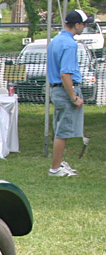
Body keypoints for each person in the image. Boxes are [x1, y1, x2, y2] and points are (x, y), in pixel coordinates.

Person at [47, 9, 95, 177]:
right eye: (84, 24)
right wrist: (74, 97)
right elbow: (65, 73)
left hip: (57, 89)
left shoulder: (56, 40)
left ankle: (59, 163)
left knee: (60, 128)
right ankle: (55, 169)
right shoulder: (69, 44)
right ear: (77, 25)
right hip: (65, 89)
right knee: (63, 131)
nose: (85, 27)